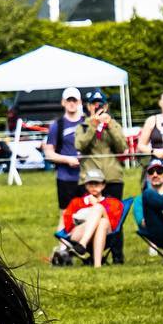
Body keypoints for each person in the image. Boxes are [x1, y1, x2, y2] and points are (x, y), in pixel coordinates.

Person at [74, 88, 128, 263]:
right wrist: (93, 124)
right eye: (94, 105)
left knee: (115, 219)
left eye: (101, 105)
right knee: (90, 216)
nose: (98, 108)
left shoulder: (114, 124)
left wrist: (109, 125)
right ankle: (91, 255)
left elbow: (122, 147)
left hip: (112, 178)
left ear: (106, 106)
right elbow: (80, 145)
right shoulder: (82, 126)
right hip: (90, 179)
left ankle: (118, 257)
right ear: (88, 107)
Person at [59, 166, 122, 267]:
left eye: (96, 183)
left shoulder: (114, 203)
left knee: (102, 220)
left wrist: (98, 206)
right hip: (78, 234)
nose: (93, 186)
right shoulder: (76, 202)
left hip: (106, 234)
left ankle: (86, 249)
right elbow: (68, 226)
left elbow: (114, 225)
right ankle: (96, 262)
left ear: (103, 185)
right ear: (85, 185)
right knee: (100, 216)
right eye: (90, 183)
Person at [43, 88, 86, 210]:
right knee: (66, 215)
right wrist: (67, 160)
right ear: (63, 102)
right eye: (69, 100)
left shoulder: (87, 123)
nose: (71, 103)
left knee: (87, 214)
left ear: (79, 102)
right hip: (65, 177)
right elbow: (49, 153)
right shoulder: (57, 125)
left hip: (86, 178)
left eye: (74, 100)